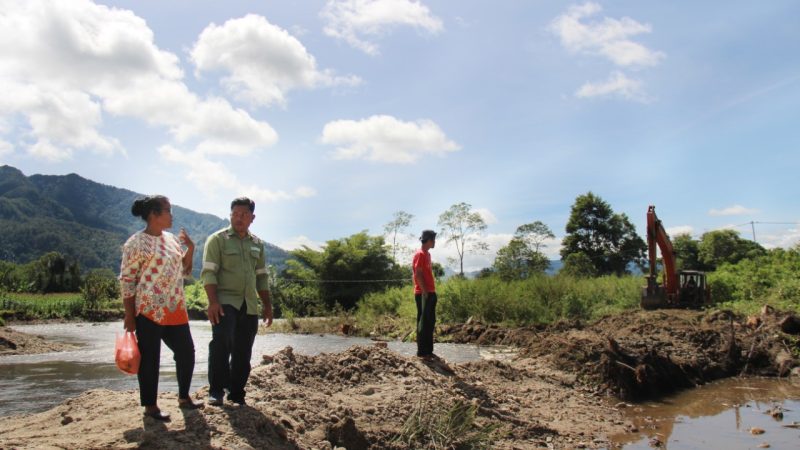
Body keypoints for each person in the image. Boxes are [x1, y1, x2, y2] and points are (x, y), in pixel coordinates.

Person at [120, 195, 201, 422]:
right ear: (154, 215)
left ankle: (184, 397)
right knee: (150, 359)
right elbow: (127, 280)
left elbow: (184, 271)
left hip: (175, 307)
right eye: (167, 210)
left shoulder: (173, 240)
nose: (171, 214)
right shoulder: (135, 243)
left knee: (187, 352)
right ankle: (151, 406)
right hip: (148, 310)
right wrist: (129, 314)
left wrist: (191, 249)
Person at [202, 197, 273, 406]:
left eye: (243, 214)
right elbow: (208, 273)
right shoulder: (217, 239)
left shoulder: (257, 244)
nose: (238, 218)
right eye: (234, 214)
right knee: (221, 344)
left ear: (252, 217)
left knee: (243, 350)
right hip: (224, 301)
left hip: (249, 304)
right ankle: (216, 391)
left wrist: (267, 305)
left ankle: (237, 393)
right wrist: (213, 302)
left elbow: (261, 277)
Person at [413, 229, 437, 358]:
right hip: (423, 293)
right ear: (428, 240)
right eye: (434, 239)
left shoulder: (428, 254)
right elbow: (418, 274)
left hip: (430, 292)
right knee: (423, 322)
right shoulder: (420, 254)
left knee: (430, 321)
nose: (435, 242)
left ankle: (429, 351)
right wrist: (425, 291)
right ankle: (422, 352)